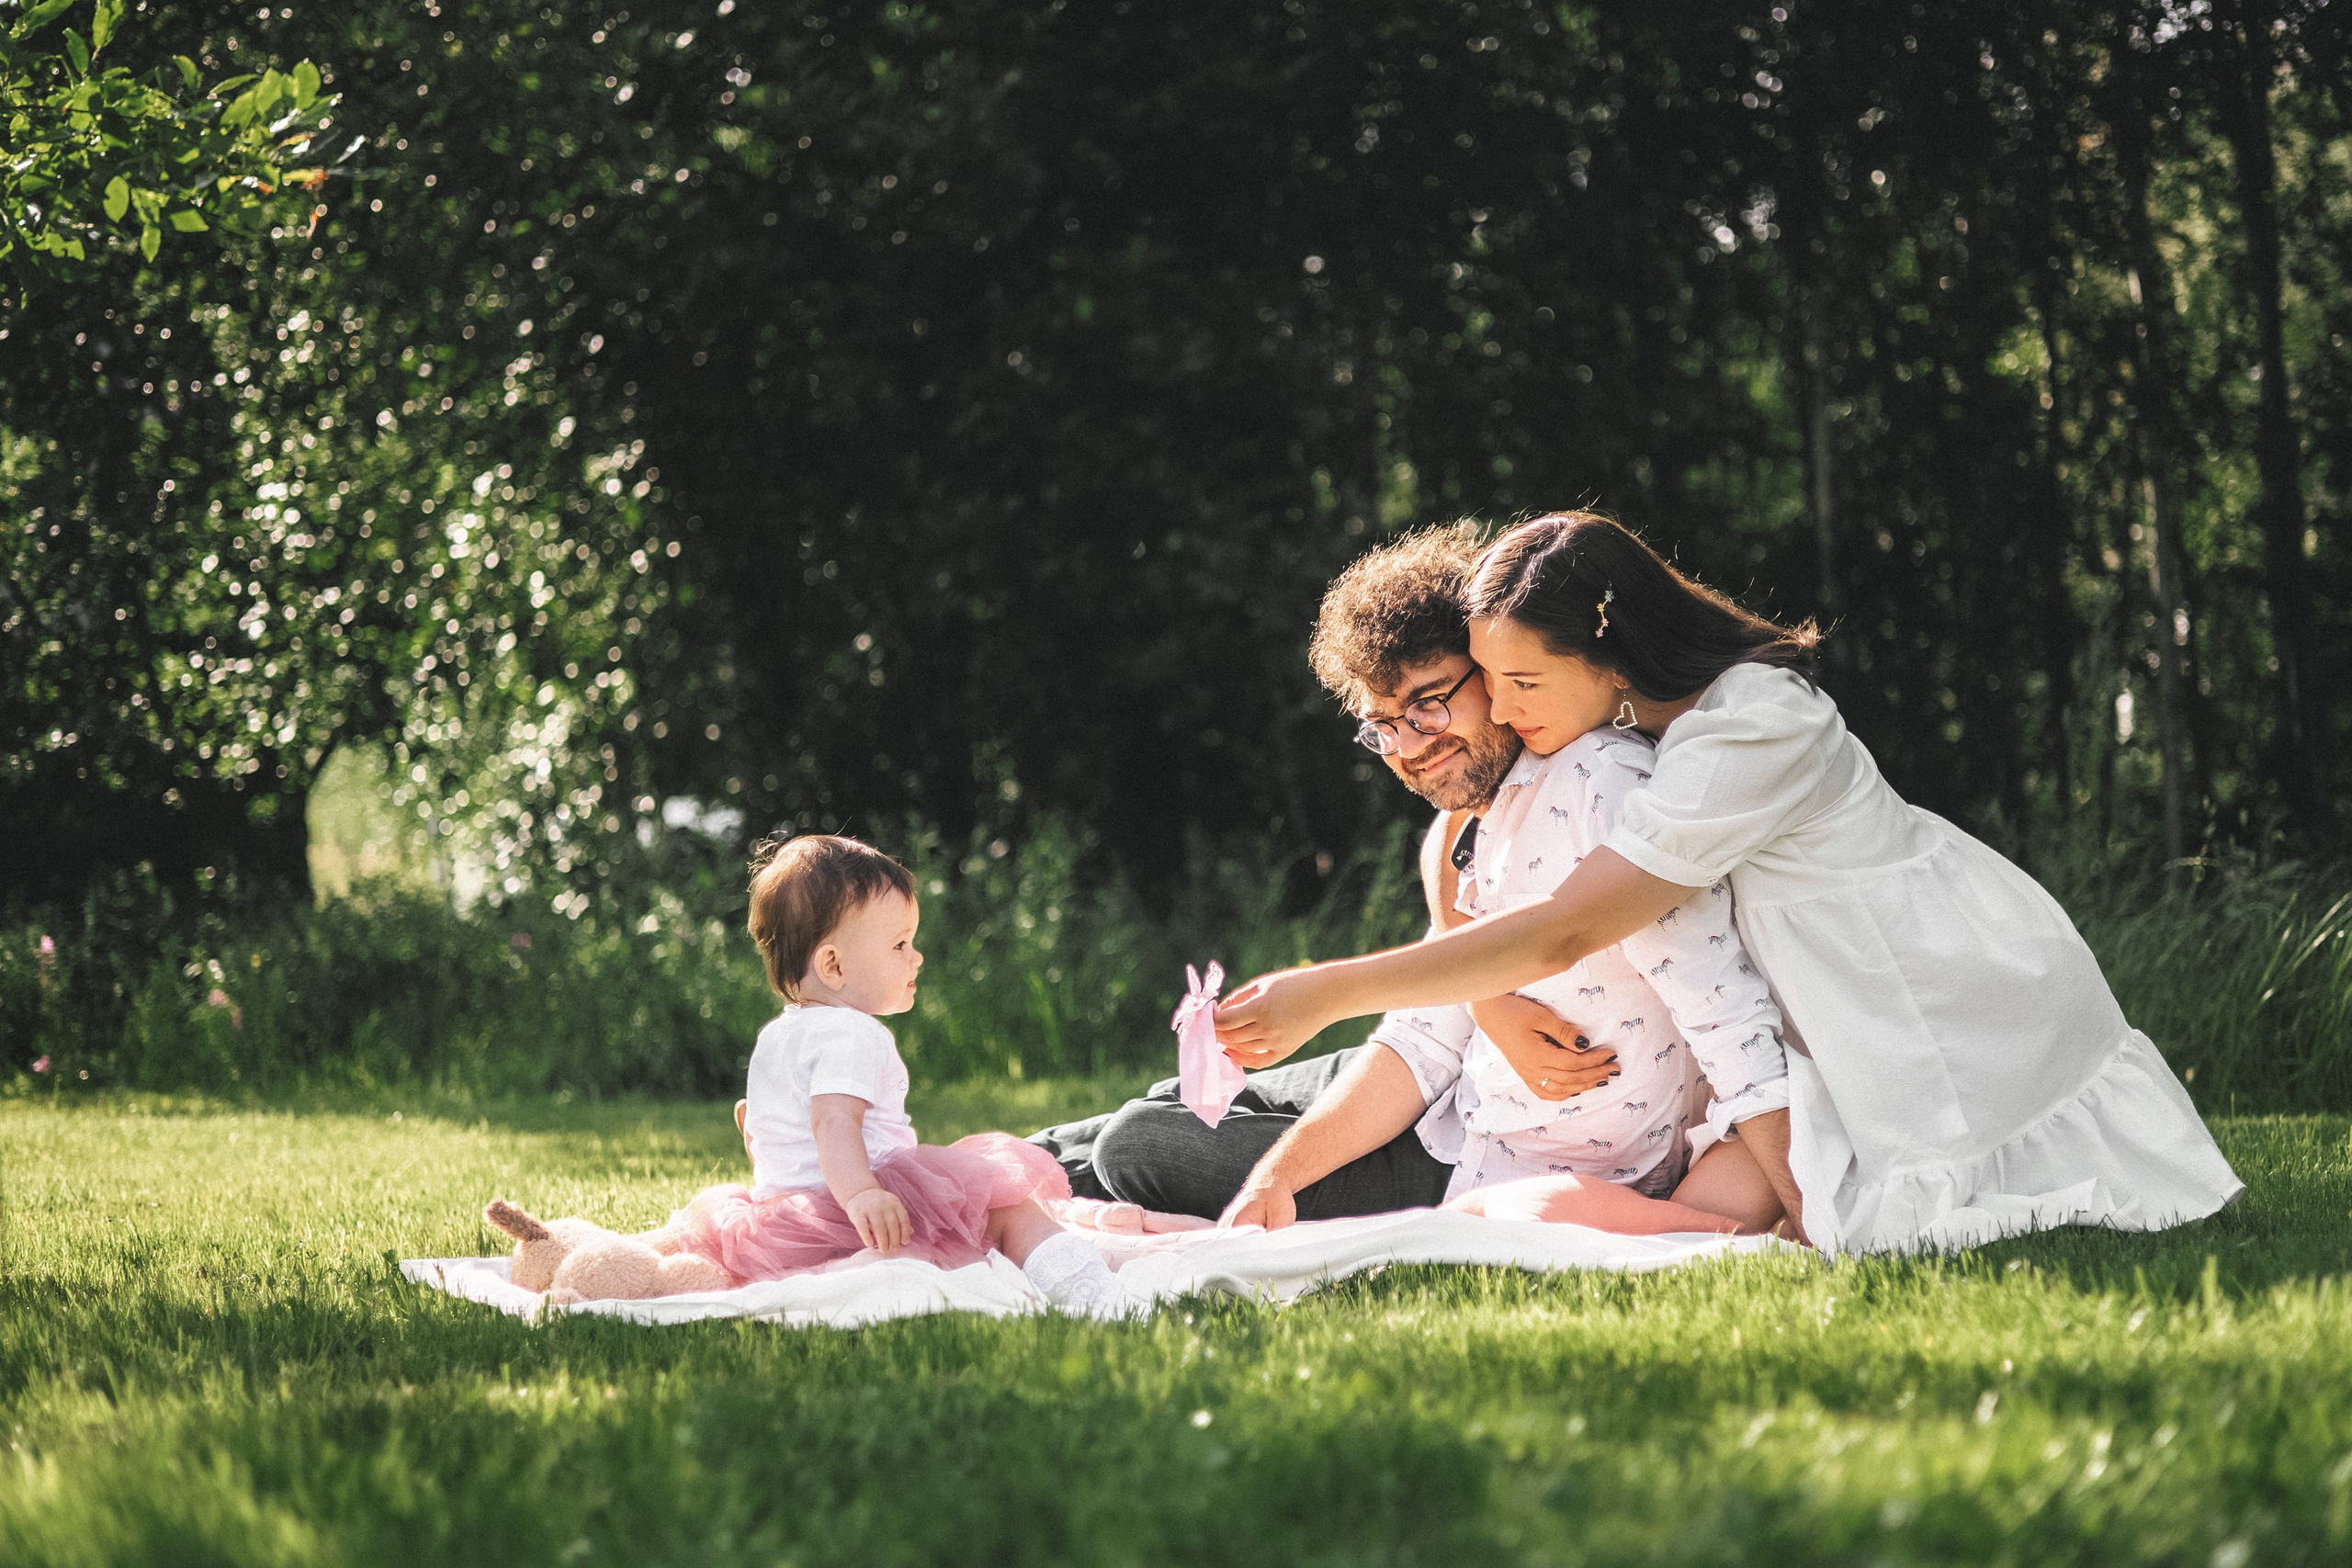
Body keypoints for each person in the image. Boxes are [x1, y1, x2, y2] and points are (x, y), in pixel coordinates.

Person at [1215, 513, 2244, 1255]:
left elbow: (1570, 928)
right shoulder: (1627, 732)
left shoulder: (1750, 726)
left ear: (1610, 658)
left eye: (1523, 684)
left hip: (1923, 982)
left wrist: (1328, 989)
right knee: (1727, 1205)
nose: (1509, 709)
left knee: (1852, 1208)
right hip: (1807, 1004)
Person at [1052, 525, 1790, 1235]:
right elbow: (1430, 1025)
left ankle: (1011, 1178)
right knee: (1168, 1105)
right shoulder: (1507, 788)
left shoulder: (1601, 787)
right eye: (1382, 725)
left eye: (1429, 703)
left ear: (1493, 668)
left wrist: (1816, 1214)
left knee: (1141, 1144)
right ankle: (991, 1172)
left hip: (1486, 1164)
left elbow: (1723, 1013)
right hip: (1457, 1092)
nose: (1407, 747)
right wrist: (1488, 1004)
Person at [673, 835, 1139, 1315]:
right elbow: (833, 1122)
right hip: (858, 1213)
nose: (915, 957)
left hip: (784, 1226)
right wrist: (862, 1195)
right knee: (1007, 1208)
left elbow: (754, 1125)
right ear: (832, 965)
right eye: (899, 944)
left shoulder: (775, 1038)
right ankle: (1097, 1298)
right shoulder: (852, 1034)